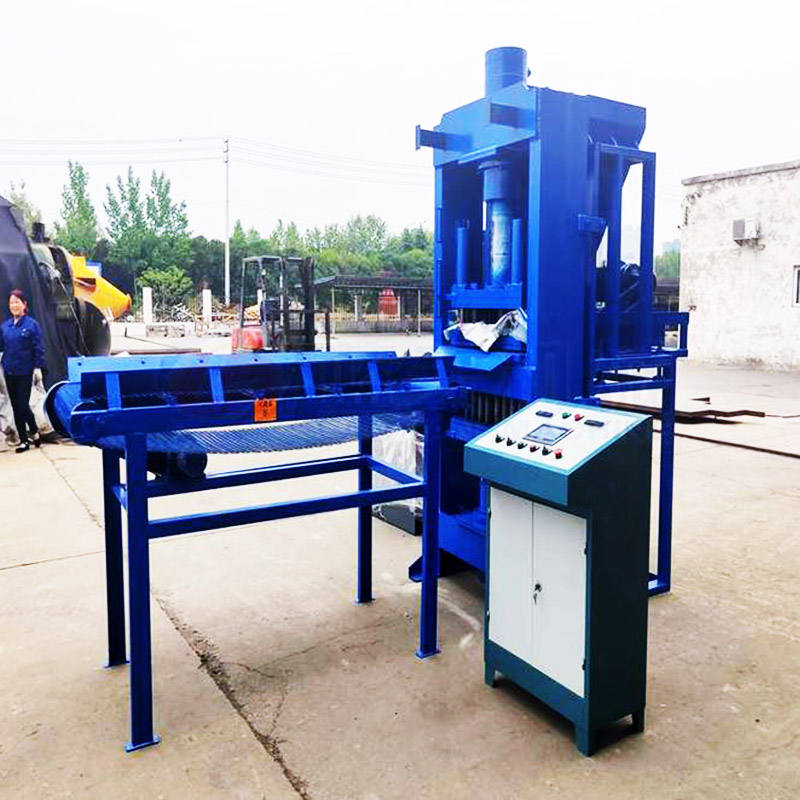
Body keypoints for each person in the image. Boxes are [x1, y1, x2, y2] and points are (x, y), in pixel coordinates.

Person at [0, 289, 45, 453]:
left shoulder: (32, 325)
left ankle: (28, 436)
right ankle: (27, 437)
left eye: (17, 302)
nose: (14, 305)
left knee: (22, 404)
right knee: (15, 405)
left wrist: (37, 367)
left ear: (24, 304)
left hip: (25, 371)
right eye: (11, 302)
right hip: (9, 370)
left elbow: (38, 348)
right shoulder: (5, 327)